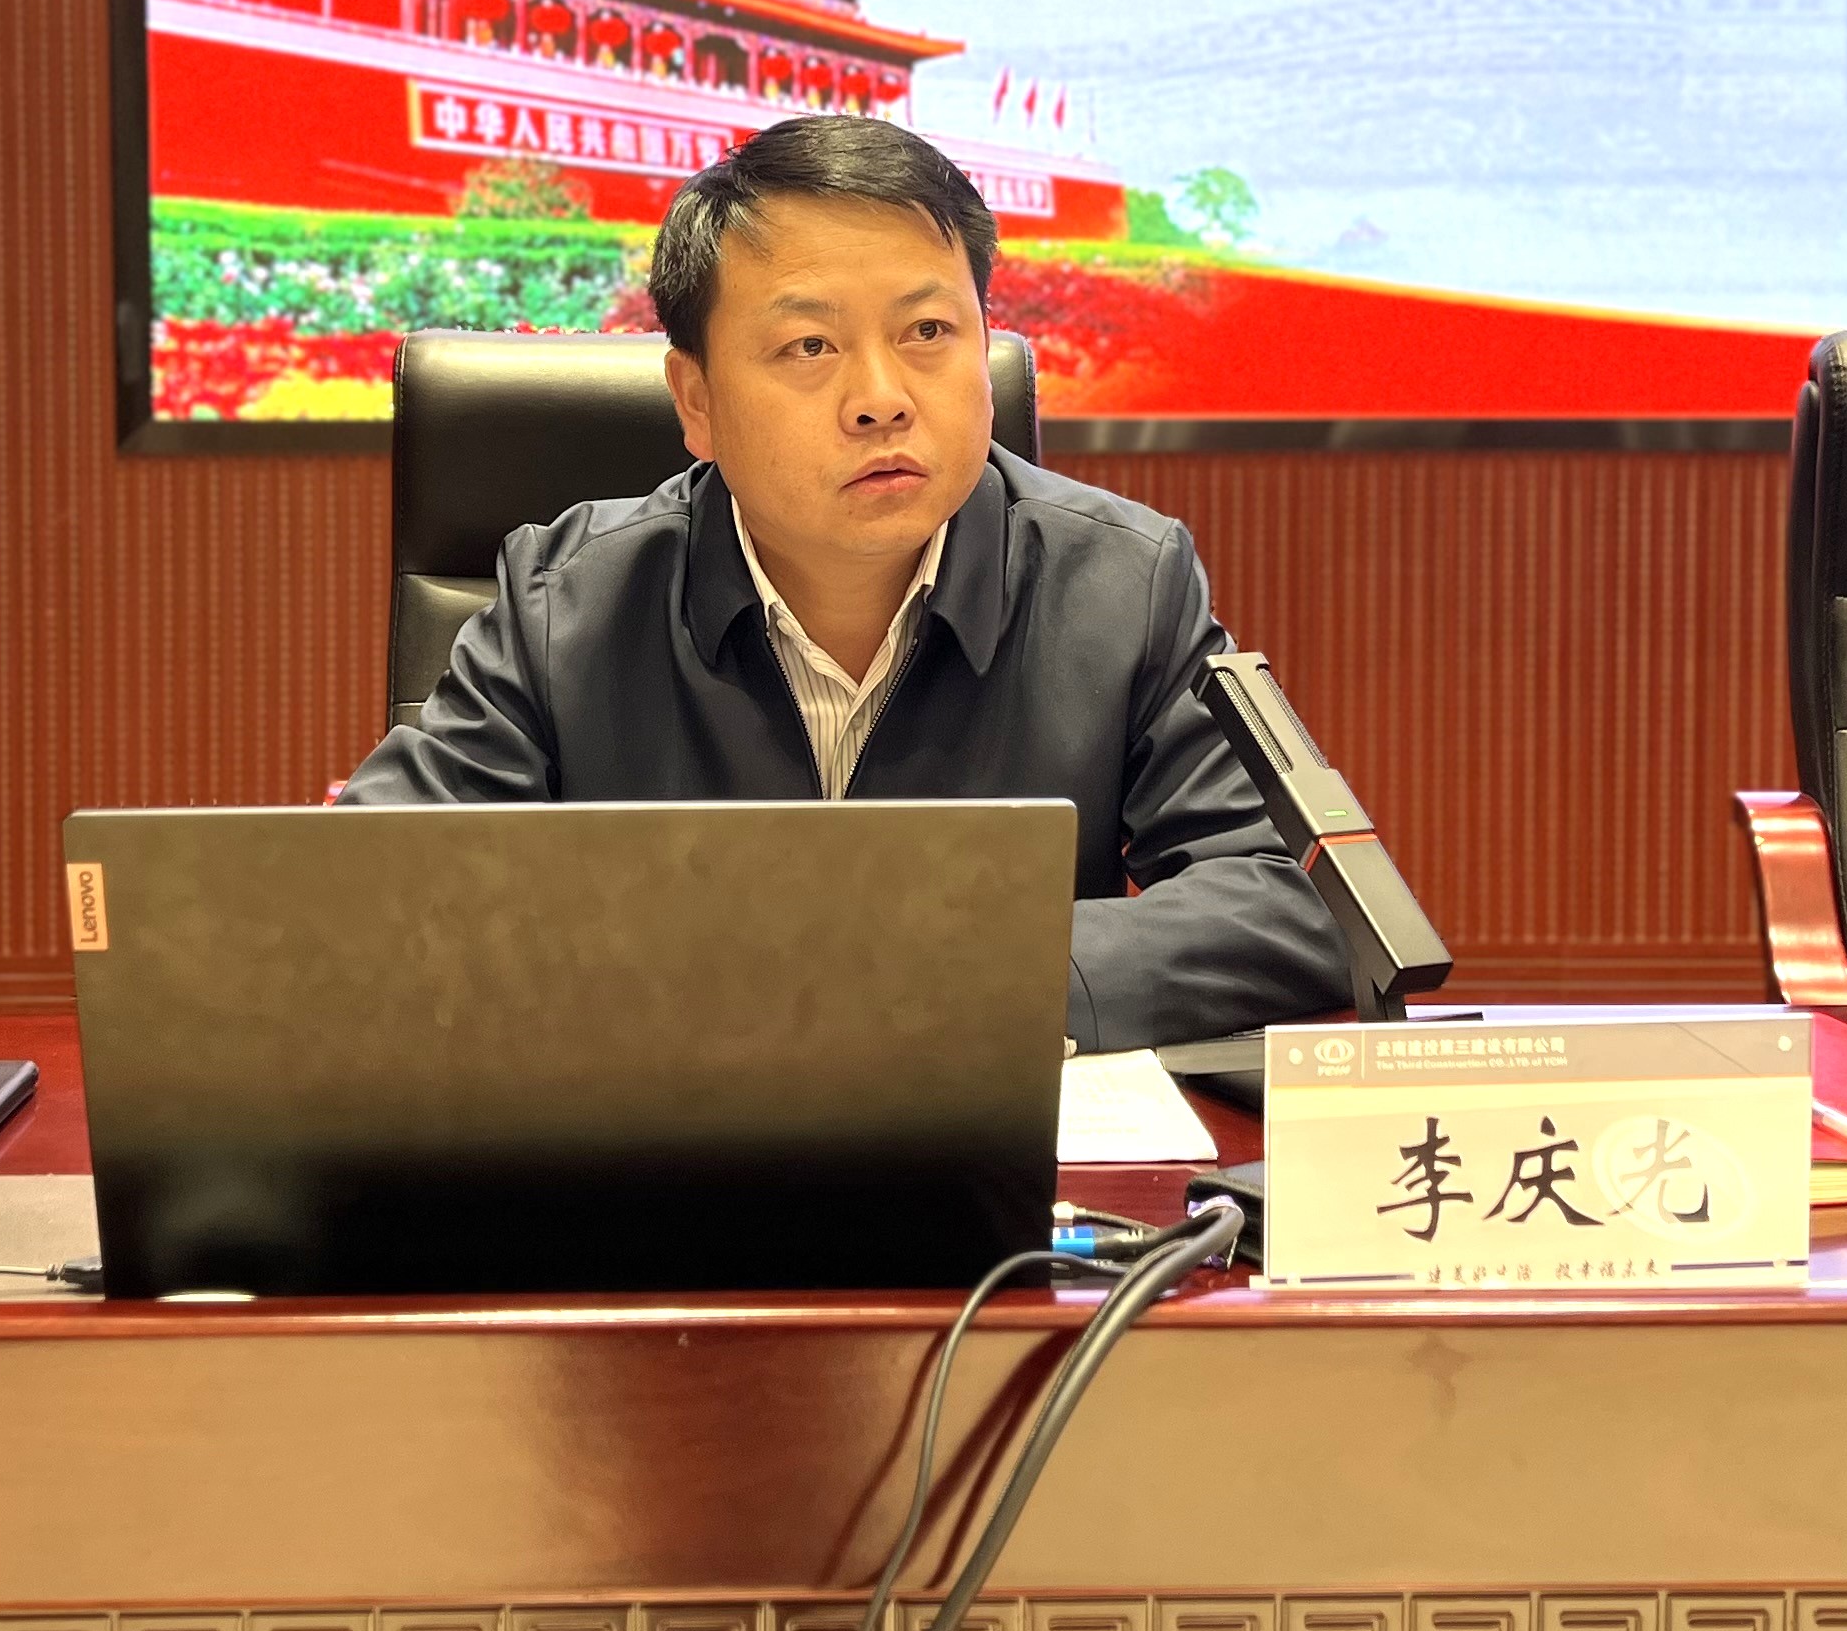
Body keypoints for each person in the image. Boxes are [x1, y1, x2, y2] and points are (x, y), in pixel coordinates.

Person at [343, 112, 1354, 1051]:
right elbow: (366, 902)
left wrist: (954, 977)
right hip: (656, 1145)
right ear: (696, 401)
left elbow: (1291, 899)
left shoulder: (1124, 581)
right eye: (810, 346)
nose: (881, 399)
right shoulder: (564, 602)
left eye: (928, 333)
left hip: (987, 1147)